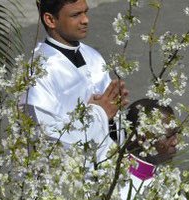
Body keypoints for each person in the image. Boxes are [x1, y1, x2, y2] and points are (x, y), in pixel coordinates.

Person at [24, 0, 128, 164]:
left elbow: (111, 113)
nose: (85, 20)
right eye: (76, 15)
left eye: (85, 12)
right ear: (50, 20)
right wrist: (99, 113)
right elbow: (47, 138)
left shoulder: (92, 55)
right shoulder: (39, 71)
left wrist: (114, 111)